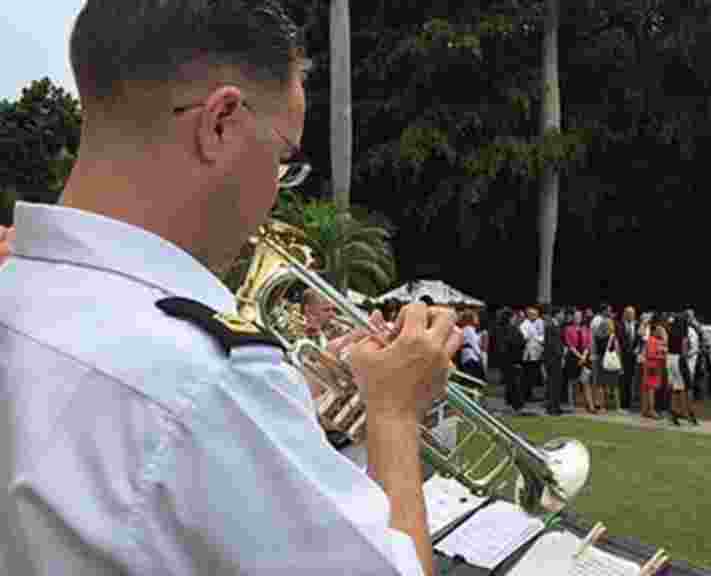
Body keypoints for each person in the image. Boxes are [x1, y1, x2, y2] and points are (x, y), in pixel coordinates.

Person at [0, 3, 457, 574]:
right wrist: (394, 412)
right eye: (282, 157)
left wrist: (297, 401)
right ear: (220, 123)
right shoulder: (207, 378)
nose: (276, 189)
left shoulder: (19, 289)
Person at [542, 305, 565, 415]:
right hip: (552, 359)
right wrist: (560, 353)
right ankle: (552, 407)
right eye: (561, 313)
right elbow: (551, 344)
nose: (563, 315)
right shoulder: (550, 325)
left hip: (556, 358)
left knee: (556, 383)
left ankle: (556, 406)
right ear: (557, 314)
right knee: (553, 384)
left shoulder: (556, 325)